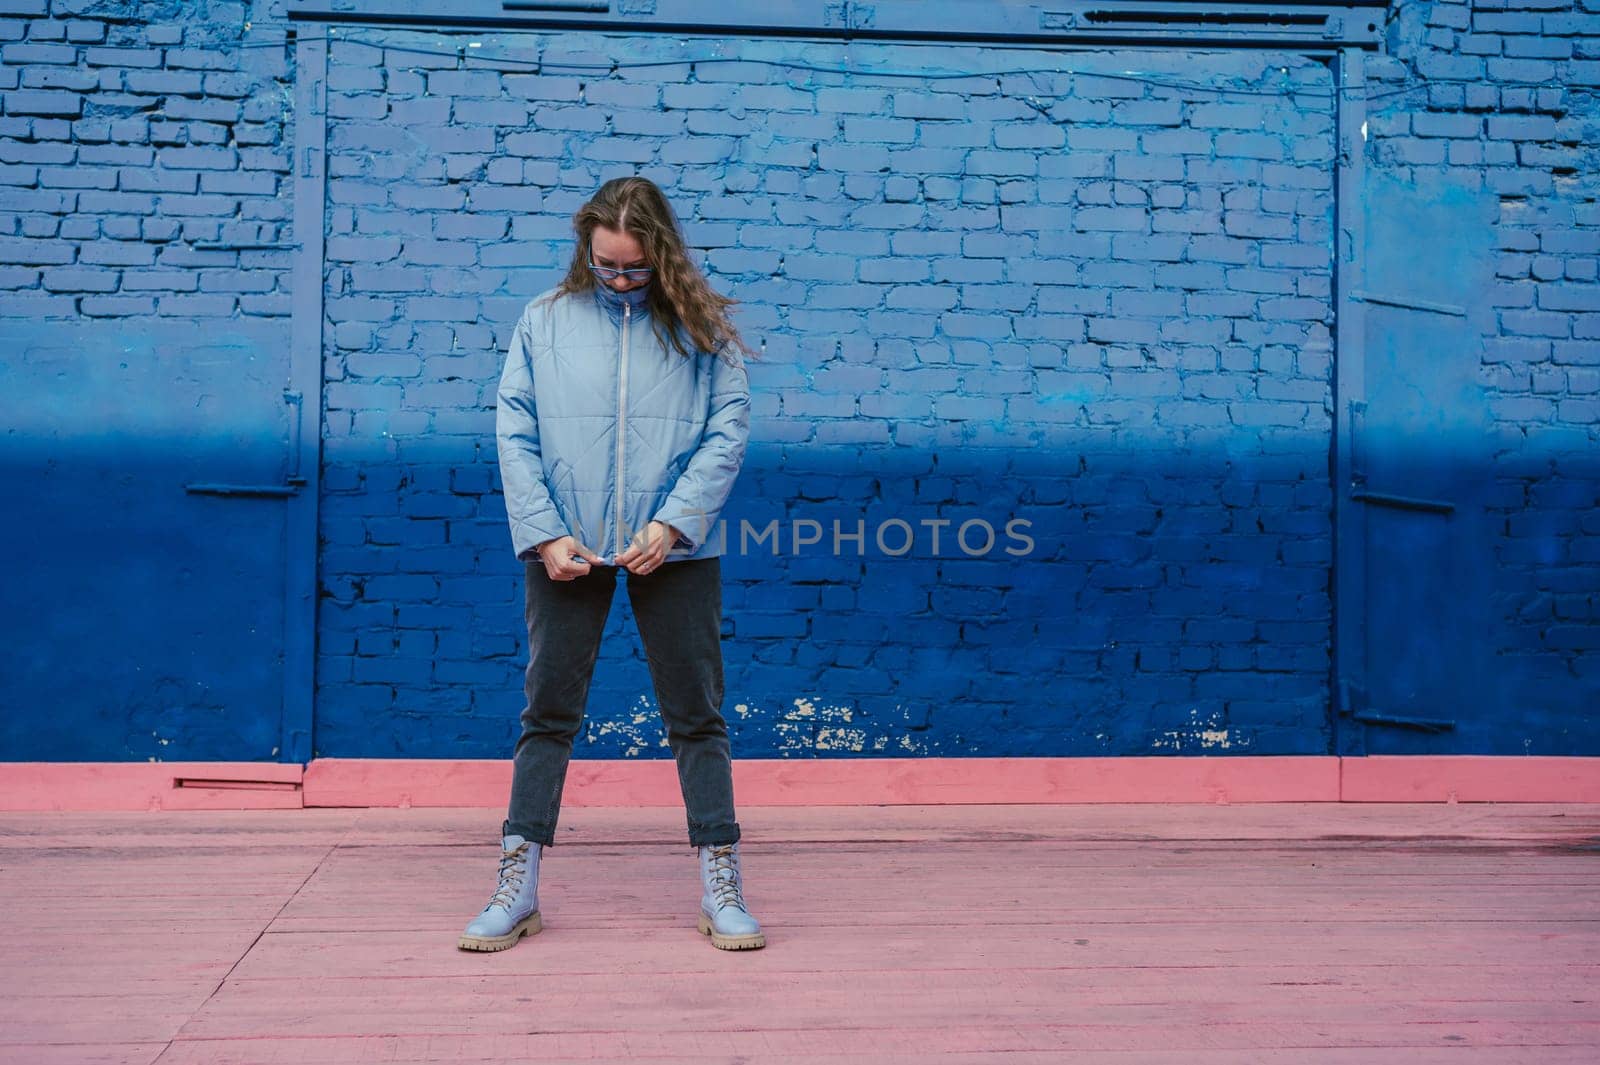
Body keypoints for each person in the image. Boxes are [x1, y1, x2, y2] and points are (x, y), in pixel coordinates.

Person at [458, 176, 763, 953]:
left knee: (697, 715)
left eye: (634, 268)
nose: (620, 281)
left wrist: (674, 523)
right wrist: (545, 533)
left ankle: (721, 879)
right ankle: (516, 884)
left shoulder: (702, 327)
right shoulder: (545, 321)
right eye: (606, 267)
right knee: (547, 715)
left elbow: (728, 430)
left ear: (661, 255)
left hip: (677, 547)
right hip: (567, 547)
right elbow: (513, 430)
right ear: (585, 252)